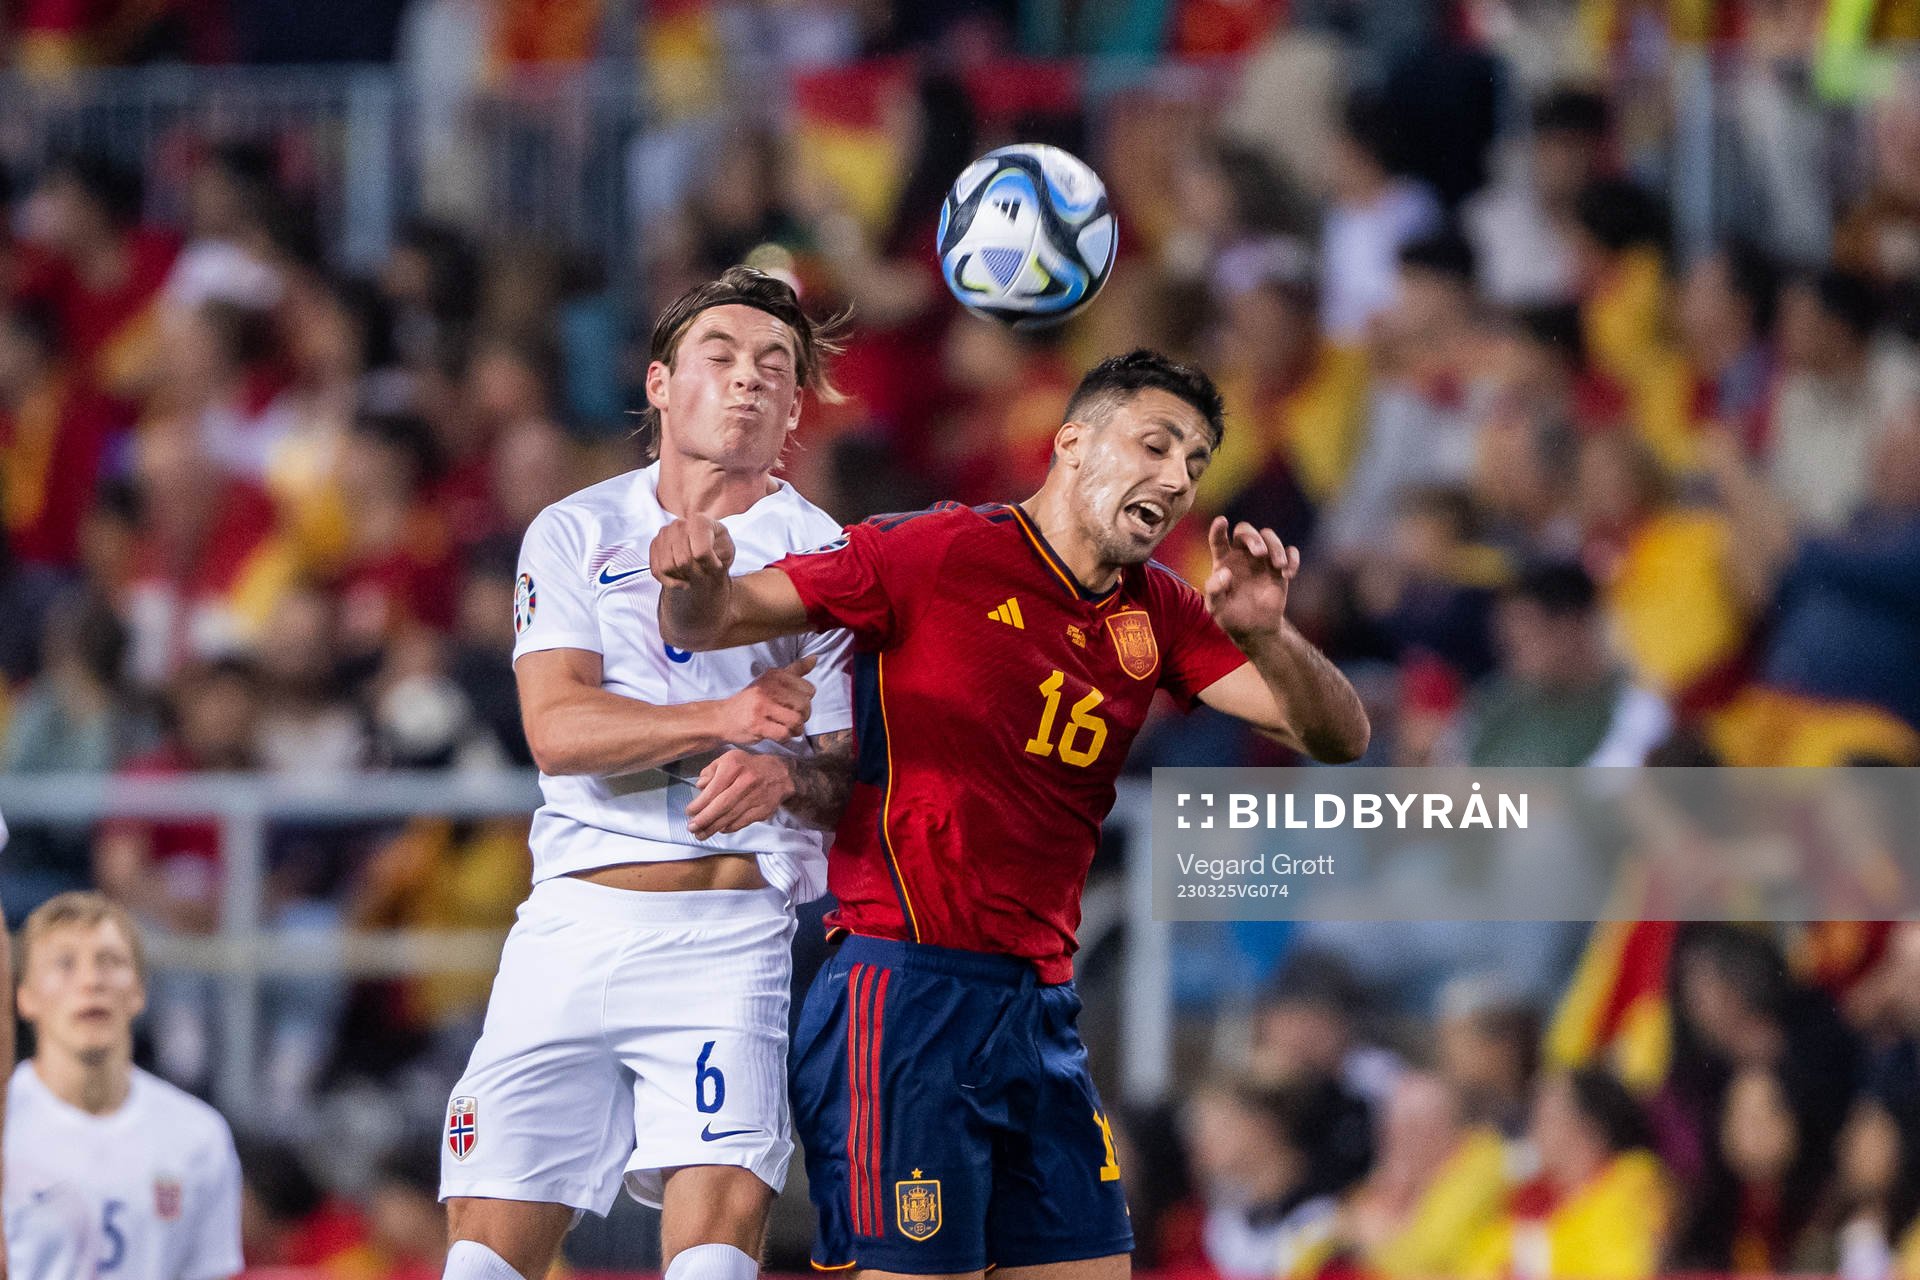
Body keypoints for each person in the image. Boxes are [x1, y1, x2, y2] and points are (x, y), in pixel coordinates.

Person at [652, 348, 1370, 1277]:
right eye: (1154, 445)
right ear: (1071, 443)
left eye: (1194, 462)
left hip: (1039, 1007)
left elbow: (1338, 735)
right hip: (904, 993)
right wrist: (694, 578)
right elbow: (711, 622)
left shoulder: (1165, 614)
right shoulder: (934, 552)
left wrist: (1271, 636)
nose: (1176, 479)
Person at [438, 266, 857, 1280]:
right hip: (571, 926)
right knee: (482, 1269)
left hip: (726, 939)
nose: (750, 379)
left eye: (776, 367)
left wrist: (789, 776)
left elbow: (843, 771)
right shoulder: (575, 531)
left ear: (796, 407)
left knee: (713, 1265)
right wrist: (731, 718)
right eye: (722, 355)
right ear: (661, 383)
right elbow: (558, 729)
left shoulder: (825, 557)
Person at [4, 891, 242, 1280]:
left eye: (109, 961)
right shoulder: (5, 1124)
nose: (90, 981)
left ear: (139, 991)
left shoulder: (199, 1137)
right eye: (64, 964)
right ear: (25, 997)